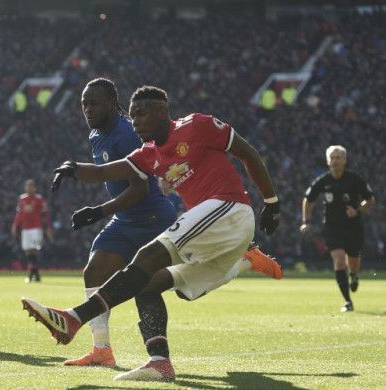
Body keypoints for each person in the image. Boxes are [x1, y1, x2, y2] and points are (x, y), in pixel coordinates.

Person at [21, 85, 282, 382]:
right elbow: (106, 171)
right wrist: (73, 168)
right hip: (217, 232)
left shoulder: (196, 125)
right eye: (132, 117)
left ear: (162, 112)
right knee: (148, 283)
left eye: (142, 114)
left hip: (230, 208)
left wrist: (271, 202)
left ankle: (74, 317)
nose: (135, 122)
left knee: (147, 256)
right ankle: (160, 362)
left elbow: (246, 152)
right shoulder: (148, 154)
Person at [51, 78, 177, 367]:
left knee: (151, 285)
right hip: (125, 219)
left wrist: (99, 211)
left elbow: (141, 188)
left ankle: (240, 257)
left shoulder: (127, 132)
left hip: (152, 217)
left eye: (94, 103)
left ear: (112, 102)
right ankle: (102, 351)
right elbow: (102, 173)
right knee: (94, 272)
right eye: (84, 103)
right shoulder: (96, 135)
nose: (87, 109)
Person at [300, 145, 375, 312]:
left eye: (338, 157)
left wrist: (358, 210)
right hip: (332, 228)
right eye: (332, 158)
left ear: (344, 160)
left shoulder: (354, 179)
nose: (335, 160)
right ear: (328, 161)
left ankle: (354, 276)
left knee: (353, 262)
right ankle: (348, 301)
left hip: (353, 227)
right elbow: (308, 200)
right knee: (340, 260)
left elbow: (370, 199)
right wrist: (306, 220)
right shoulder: (323, 181)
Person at [11, 179, 53, 283]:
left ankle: (31, 274)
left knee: (34, 250)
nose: (29, 188)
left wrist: (48, 227)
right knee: (28, 251)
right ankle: (36, 274)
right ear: (26, 187)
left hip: (36, 228)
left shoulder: (39, 199)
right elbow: (19, 214)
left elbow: (45, 215)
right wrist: (15, 226)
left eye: (31, 186)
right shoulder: (22, 199)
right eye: (28, 186)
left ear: (35, 188)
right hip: (25, 229)